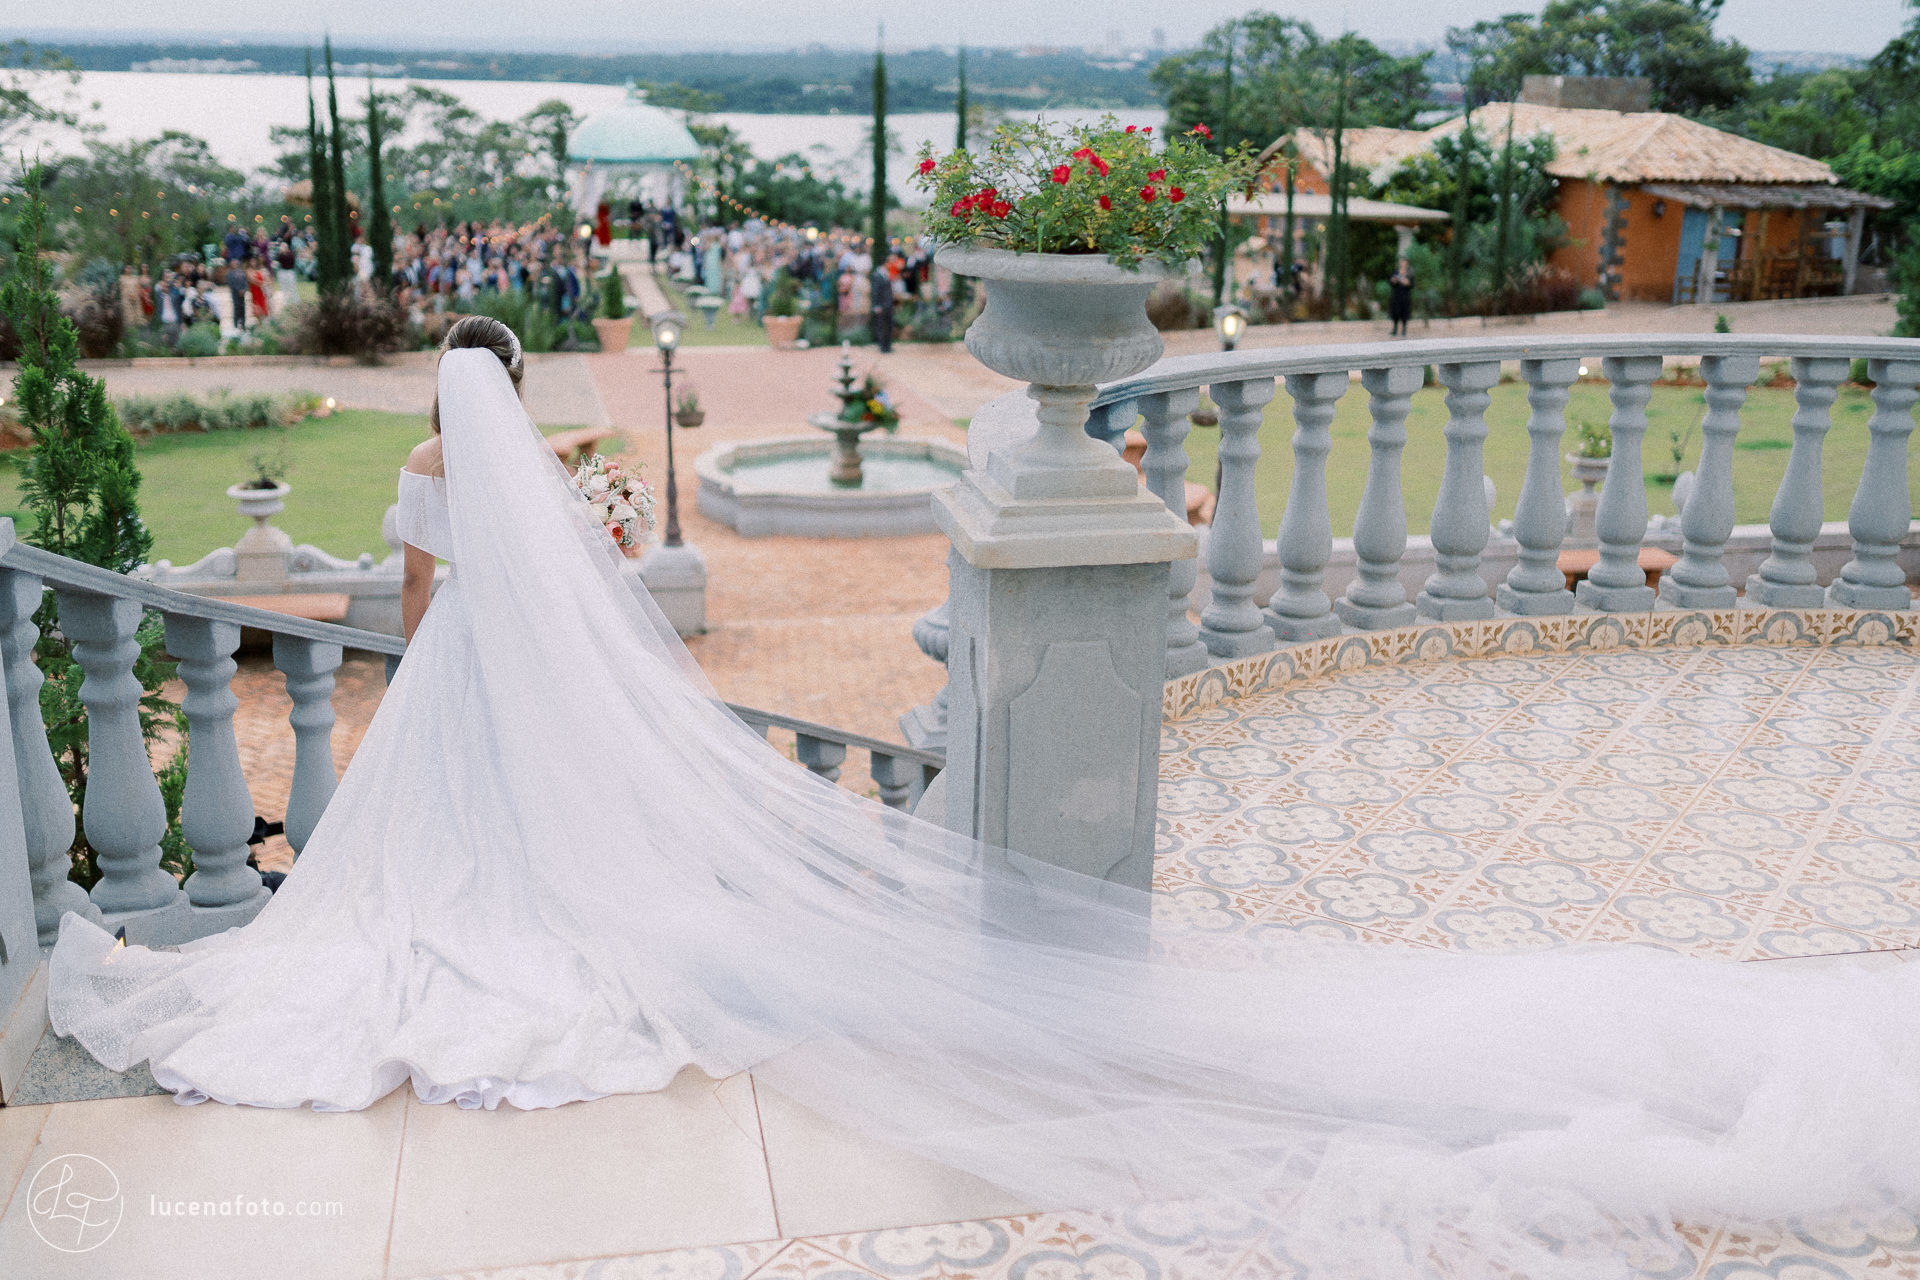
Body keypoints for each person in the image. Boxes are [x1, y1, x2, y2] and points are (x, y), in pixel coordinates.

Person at [44, 316, 1920, 1280]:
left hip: (446, 708)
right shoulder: (544, 481)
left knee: (426, 888)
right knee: (538, 886)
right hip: (514, 700)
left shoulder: (428, 498)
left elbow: (419, 615)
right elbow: (574, 608)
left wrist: (422, 650)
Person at [1388, 256, 1414, 337]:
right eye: (1402, 262)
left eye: (1405, 262)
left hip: (1405, 296)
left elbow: (1412, 284)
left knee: (1404, 312)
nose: (1403, 264)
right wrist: (1393, 281)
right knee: (1395, 312)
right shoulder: (1395, 272)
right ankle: (1395, 329)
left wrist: (1407, 283)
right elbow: (1390, 281)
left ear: (1407, 264)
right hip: (1396, 295)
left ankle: (1404, 329)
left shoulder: (1410, 273)